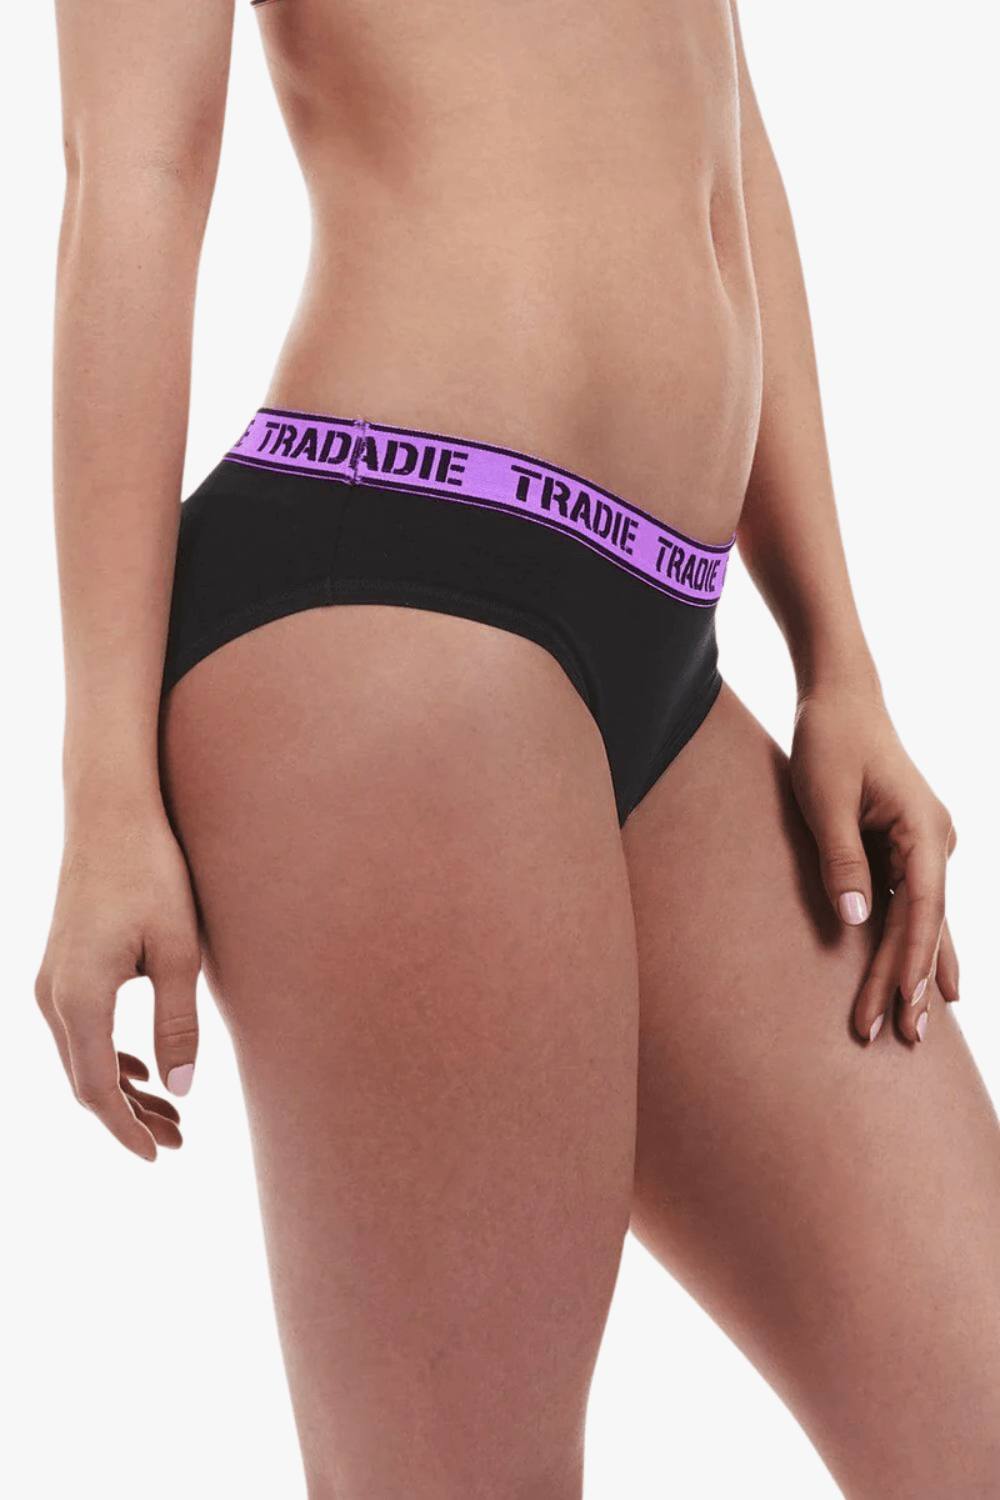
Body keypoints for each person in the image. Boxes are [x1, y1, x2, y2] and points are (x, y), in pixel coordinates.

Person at [33, 1, 1000, 1495]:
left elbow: (721, 130)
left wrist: (838, 662)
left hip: (668, 653)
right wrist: (103, 784)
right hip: (394, 593)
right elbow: (132, 172)